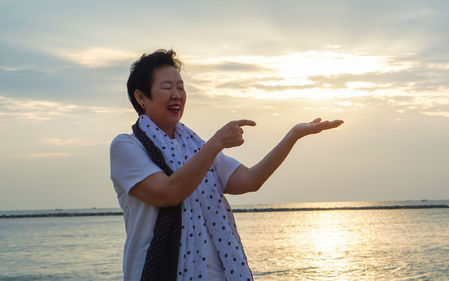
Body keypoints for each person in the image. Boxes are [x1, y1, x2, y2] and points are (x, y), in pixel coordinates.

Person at [110, 49, 343, 281]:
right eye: (167, 87)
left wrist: (292, 136)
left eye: (180, 87)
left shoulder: (195, 147)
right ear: (141, 98)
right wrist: (216, 143)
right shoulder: (127, 147)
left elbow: (250, 180)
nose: (177, 95)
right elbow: (168, 193)